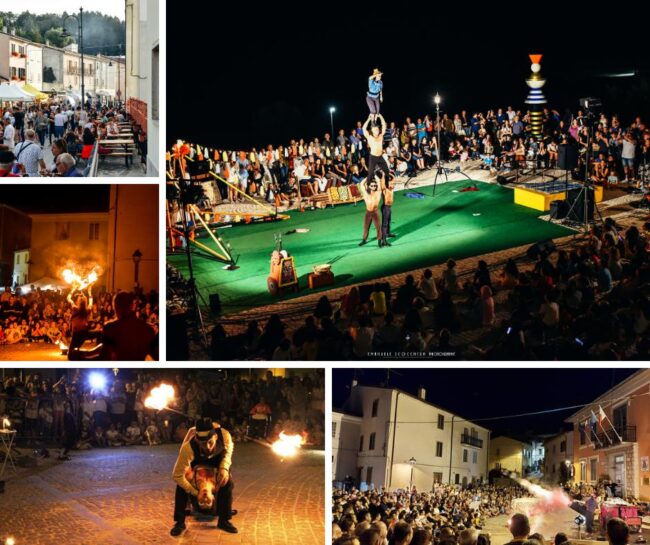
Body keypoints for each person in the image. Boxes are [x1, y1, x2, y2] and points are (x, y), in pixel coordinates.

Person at [170, 418, 237, 536]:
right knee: (182, 486)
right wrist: (193, 492)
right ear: (196, 439)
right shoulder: (188, 448)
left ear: (215, 436)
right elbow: (177, 475)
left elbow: (228, 452)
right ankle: (179, 522)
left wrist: (224, 467)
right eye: (202, 443)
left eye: (210, 442)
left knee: (227, 482)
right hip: (197, 462)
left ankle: (224, 520)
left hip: (217, 461)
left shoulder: (224, 435)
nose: (207, 446)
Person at [100, 292, 157, 360]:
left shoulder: (109, 329)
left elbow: (105, 358)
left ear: (115, 307)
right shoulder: (148, 330)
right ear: (132, 306)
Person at [362, 113, 390, 184]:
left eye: (377, 129)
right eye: (375, 129)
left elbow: (384, 125)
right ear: (372, 130)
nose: (377, 130)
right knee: (370, 173)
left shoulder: (381, 136)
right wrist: (368, 119)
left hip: (380, 157)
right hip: (373, 157)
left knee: (386, 171)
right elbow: (363, 128)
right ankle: (368, 186)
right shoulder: (369, 137)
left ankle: (386, 184)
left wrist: (380, 116)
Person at [358, 173, 383, 247]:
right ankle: (364, 240)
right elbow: (362, 184)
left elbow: (378, 181)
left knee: (378, 227)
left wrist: (374, 174)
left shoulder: (378, 192)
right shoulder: (366, 193)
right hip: (368, 213)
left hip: (375, 212)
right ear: (369, 186)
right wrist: (368, 176)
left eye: (375, 186)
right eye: (372, 185)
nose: (374, 187)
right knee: (366, 227)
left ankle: (379, 241)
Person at [379, 170, 395, 247]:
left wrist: (391, 173)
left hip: (389, 207)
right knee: (384, 224)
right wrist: (383, 174)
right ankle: (384, 240)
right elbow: (382, 183)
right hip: (385, 208)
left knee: (389, 221)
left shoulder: (391, 188)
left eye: (393, 183)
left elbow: (394, 179)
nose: (393, 184)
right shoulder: (385, 189)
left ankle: (388, 233)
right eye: (391, 183)